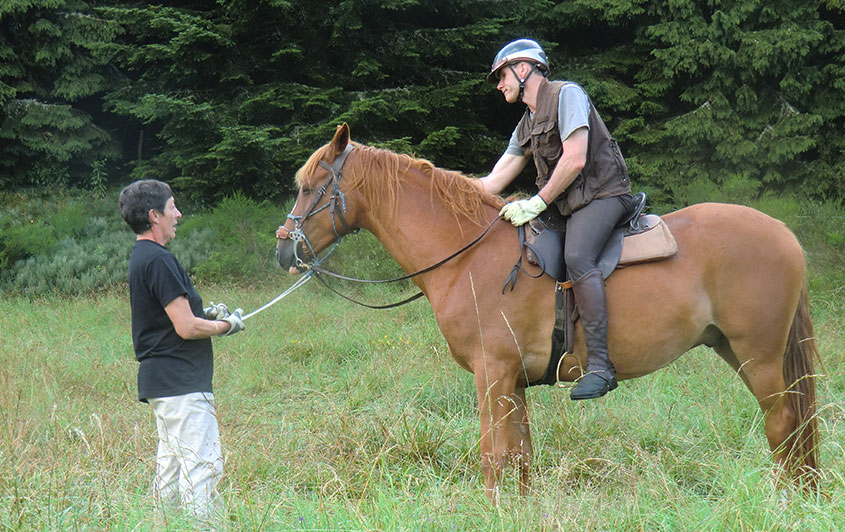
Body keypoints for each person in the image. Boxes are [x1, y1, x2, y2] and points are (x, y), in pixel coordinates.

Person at [478, 38, 632, 400]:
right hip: (566, 208)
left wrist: (536, 202)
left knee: (577, 256)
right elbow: (494, 180)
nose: (500, 84)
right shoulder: (526, 124)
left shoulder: (567, 95)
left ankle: (600, 367)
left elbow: (576, 158)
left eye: (502, 75)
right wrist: (448, 194)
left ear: (523, 69)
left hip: (604, 195)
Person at [119, 179, 244, 524]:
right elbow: (186, 327)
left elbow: (172, 319)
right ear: (154, 216)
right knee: (202, 468)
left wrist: (207, 316)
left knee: (171, 473)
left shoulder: (142, 257)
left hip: (164, 386)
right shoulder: (159, 260)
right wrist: (226, 325)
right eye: (172, 207)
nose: (178, 214)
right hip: (183, 385)